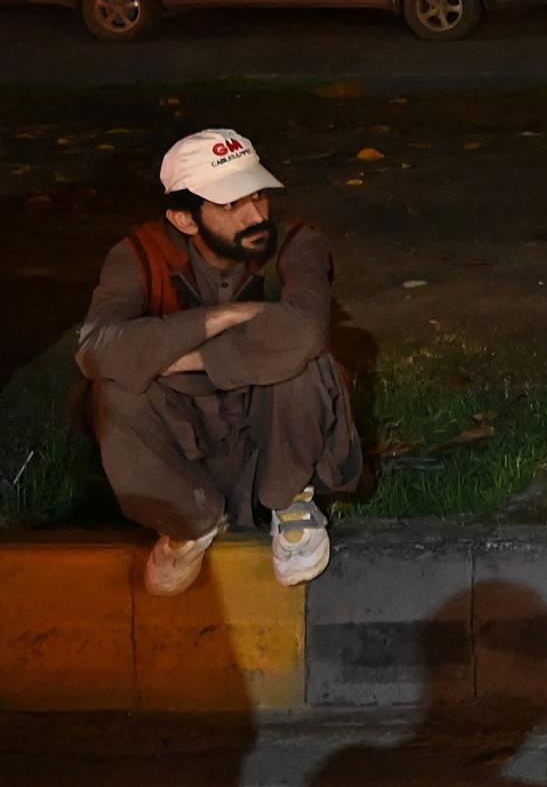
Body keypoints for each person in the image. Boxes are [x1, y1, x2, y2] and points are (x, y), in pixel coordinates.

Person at [77, 129, 360, 596]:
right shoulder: (140, 255)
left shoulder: (297, 243)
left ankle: (291, 503)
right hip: (189, 430)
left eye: (257, 196)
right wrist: (221, 317)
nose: (256, 216)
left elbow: (302, 330)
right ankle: (189, 522)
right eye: (231, 205)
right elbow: (96, 349)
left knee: (305, 360)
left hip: (274, 424)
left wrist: (171, 358)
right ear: (185, 219)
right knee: (113, 388)